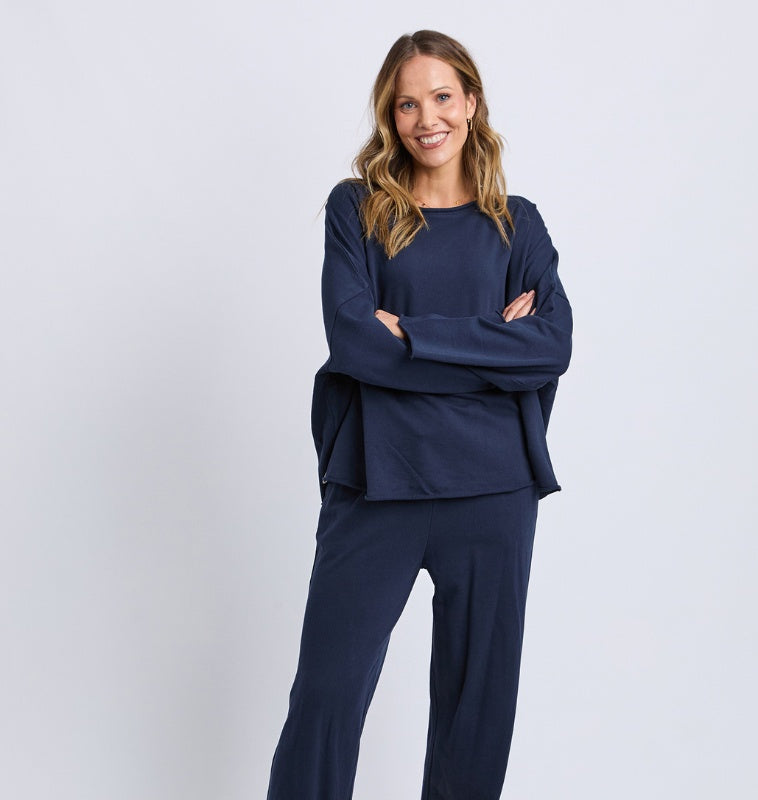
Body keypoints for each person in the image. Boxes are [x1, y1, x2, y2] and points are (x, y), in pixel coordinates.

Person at [266, 29, 572, 800]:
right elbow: (353, 341)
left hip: (494, 491)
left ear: (471, 102)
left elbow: (550, 347)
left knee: (477, 714)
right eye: (407, 104)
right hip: (378, 484)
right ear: (390, 115)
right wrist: (491, 347)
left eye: (441, 97)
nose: (426, 118)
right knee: (325, 701)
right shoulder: (358, 209)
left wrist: (413, 336)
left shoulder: (518, 224)